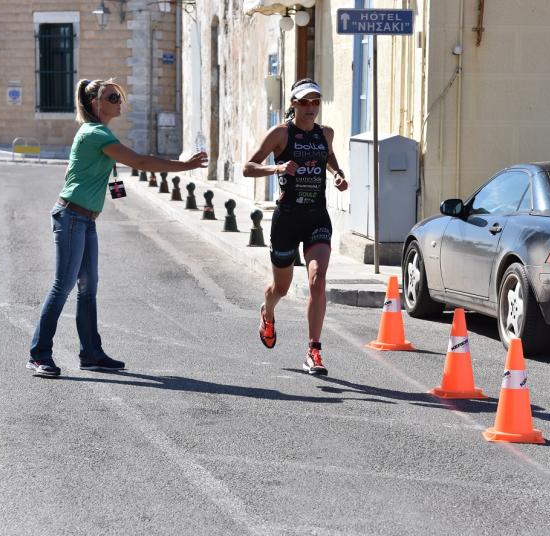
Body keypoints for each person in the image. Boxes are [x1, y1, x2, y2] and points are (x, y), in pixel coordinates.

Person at [27, 78, 208, 377]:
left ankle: (91, 354)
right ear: (95, 103)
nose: (119, 102)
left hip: (85, 220)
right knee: (63, 286)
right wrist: (184, 166)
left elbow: (99, 172)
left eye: (119, 96)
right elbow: (140, 162)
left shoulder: (101, 133)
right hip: (71, 217)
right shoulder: (95, 133)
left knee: (88, 288)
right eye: (112, 97)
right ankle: (39, 354)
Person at [243, 79, 349, 376]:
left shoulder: (325, 133)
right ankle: (267, 312)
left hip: (316, 217)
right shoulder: (280, 133)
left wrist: (338, 174)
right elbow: (248, 167)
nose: (311, 107)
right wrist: (277, 167)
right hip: (287, 219)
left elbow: (328, 156)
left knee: (318, 280)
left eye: (315, 101)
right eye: (304, 102)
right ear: (294, 104)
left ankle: (314, 351)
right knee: (281, 288)